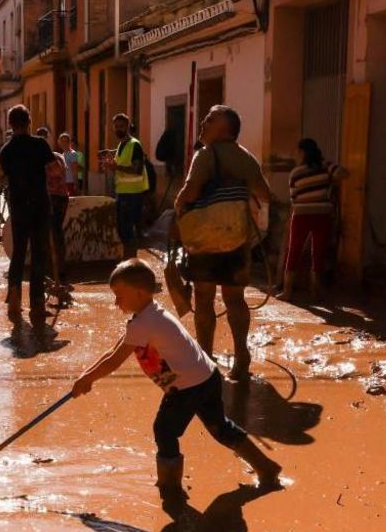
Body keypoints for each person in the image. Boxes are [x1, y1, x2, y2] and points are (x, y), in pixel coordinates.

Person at [71, 259, 282, 508]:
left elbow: (115, 361)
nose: (116, 302)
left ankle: (171, 489)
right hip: (206, 375)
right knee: (220, 427)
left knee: (165, 430)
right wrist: (86, 376)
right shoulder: (150, 314)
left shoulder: (143, 323)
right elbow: (112, 351)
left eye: (119, 295)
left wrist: (88, 379)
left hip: (187, 387)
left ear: (139, 292)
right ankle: (266, 467)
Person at [174, 105, 272, 382]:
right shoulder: (246, 158)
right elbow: (264, 195)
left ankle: (205, 358)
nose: (203, 122)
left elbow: (191, 191)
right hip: (237, 238)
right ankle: (241, 357)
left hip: (204, 240)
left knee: (203, 298)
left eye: (210, 119)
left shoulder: (205, 155)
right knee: (235, 298)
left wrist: (178, 207)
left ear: (225, 128)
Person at [0, 105, 54, 327]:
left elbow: (0, 174)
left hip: (19, 207)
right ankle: (37, 304)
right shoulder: (40, 144)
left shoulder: (6, 149)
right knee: (39, 255)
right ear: (29, 122)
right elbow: (55, 170)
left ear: (10, 125)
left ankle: (14, 304)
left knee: (19, 254)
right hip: (40, 205)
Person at [279, 138, 348, 301]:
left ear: (302, 152)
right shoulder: (326, 166)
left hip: (301, 214)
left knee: (294, 251)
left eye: (297, 150)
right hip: (322, 214)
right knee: (318, 252)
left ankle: (287, 292)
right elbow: (344, 173)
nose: (295, 153)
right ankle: (315, 293)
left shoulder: (295, 173)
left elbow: (293, 198)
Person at [108, 114, 149, 258]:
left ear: (127, 126)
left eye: (121, 126)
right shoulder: (121, 145)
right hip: (122, 192)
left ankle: (131, 264)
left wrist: (116, 167)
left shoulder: (134, 145)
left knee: (128, 231)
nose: (118, 129)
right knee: (122, 230)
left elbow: (137, 170)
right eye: (116, 126)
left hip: (132, 194)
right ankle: (129, 263)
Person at [38, 126, 70, 283]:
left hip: (56, 198)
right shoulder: (43, 158)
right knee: (51, 233)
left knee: (55, 233)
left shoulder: (54, 157)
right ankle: (54, 269)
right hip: (51, 198)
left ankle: (58, 271)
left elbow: (58, 172)